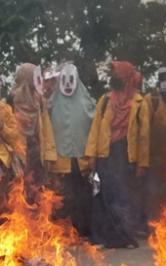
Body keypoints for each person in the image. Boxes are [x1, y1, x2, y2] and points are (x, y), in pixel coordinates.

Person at [85, 61, 150, 248]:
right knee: (103, 197)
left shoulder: (139, 103)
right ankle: (103, 238)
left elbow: (144, 136)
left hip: (125, 155)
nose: (114, 79)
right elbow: (95, 129)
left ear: (127, 78)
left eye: (118, 76)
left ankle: (124, 237)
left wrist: (142, 164)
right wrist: (91, 156)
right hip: (105, 154)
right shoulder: (105, 101)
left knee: (122, 198)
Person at [48, 63, 96, 236]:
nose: (68, 84)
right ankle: (65, 233)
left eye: (71, 80)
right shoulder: (51, 104)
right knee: (63, 197)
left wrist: (92, 155)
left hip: (81, 159)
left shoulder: (89, 103)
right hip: (61, 160)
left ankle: (83, 231)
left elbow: (95, 128)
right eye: (64, 80)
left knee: (83, 196)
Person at [10, 63, 57, 187]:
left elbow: (46, 130)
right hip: (18, 156)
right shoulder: (10, 102)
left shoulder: (40, 101)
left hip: (37, 155)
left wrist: (49, 155)